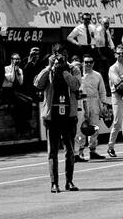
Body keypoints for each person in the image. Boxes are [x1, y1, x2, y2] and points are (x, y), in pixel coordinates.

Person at [35, 52, 81, 192]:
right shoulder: (49, 70)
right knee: (52, 152)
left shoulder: (73, 69)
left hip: (68, 116)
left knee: (70, 151)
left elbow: (76, 86)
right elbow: (38, 84)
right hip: (52, 117)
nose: (58, 61)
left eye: (61, 58)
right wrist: (49, 67)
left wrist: (65, 71)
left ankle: (69, 181)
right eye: (56, 58)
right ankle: (54, 183)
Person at [76, 54, 107, 161]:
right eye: (86, 62)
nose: (88, 64)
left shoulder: (98, 75)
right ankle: (80, 152)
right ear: (83, 63)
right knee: (81, 129)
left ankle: (93, 151)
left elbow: (102, 91)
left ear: (93, 63)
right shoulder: (78, 75)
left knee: (94, 128)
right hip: (82, 103)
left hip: (94, 102)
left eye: (90, 62)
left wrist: (103, 104)